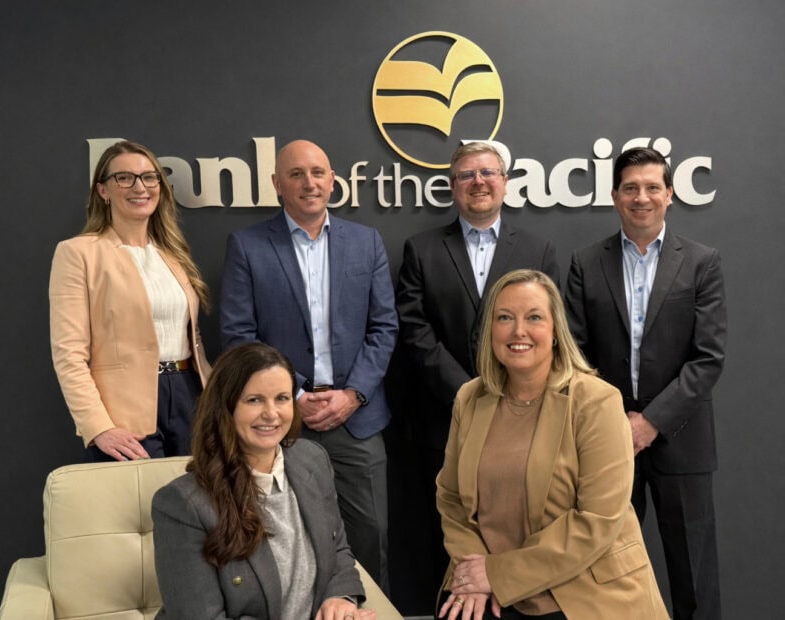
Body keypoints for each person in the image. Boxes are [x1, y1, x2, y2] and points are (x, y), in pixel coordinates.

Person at [436, 269, 668, 620]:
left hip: (583, 587)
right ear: (490, 331)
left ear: (557, 331)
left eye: (534, 317)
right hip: (490, 584)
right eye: (504, 318)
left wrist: (500, 574)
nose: (518, 331)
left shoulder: (596, 401)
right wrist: (477, 573)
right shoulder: (470, 398)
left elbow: (596, 520)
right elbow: (451, 497)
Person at [220, 139, 398, 590]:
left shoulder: (366, 242)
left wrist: (353, 394)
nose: (309, 183)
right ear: (277, 184)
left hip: (357, 418)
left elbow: (384, 328)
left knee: (371, 535)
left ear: (333, 181)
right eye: (296, 174)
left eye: (318, 172)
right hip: (281, 421)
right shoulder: (248, 246)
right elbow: (240, 334)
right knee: (286, 539)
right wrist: (293, 395)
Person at [565, 147, 727, 619]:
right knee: (606, 573)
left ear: (670, 195)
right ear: (614, 196)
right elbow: (575, 355)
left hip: (683, 440)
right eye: (631, 188)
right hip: (606, 441)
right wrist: (617, 423)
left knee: (693, 575)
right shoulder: (585, 263)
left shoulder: (701, 262)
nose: (642, 197)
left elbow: (708, 358)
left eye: (652, 187)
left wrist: (650, 422)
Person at [395, 141, 559, 590]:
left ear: (505, 183)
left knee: (518, 529)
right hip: (444, 416)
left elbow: (550, 331)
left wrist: (506, 393)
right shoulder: (422, 249)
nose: (478, 183)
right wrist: (469, 391)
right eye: (467, 175)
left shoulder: (539, 250)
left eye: (488, 173)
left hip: (524, 416)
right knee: (449, 536)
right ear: (453, 187)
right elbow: (414, 328)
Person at [152, 342, 376, 619]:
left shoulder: (313, 460)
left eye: (282, 398)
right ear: (226, 406)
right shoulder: (182, 504)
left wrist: (340, 597)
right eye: (254, 400)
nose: (271, 413)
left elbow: (337, 547)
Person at [49, 140, 210, 462]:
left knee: (197, 507)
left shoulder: (173, 256)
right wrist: (98, 426)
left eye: (150, 177)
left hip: (189, 396)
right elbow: (69, 354)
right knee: (137, 510)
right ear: (103, 191)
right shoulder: (77, 253)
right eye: (125, 178)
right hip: (123, 410)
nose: (140, 187)